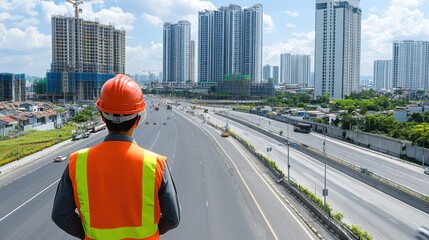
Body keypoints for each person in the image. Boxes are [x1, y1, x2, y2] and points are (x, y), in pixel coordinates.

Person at [52, 74, 180, 240]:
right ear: (137, 120)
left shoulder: (77, 162)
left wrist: (87, 234)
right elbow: (172, 219)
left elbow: (60, 215)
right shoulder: (155, 164)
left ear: (103, 117)